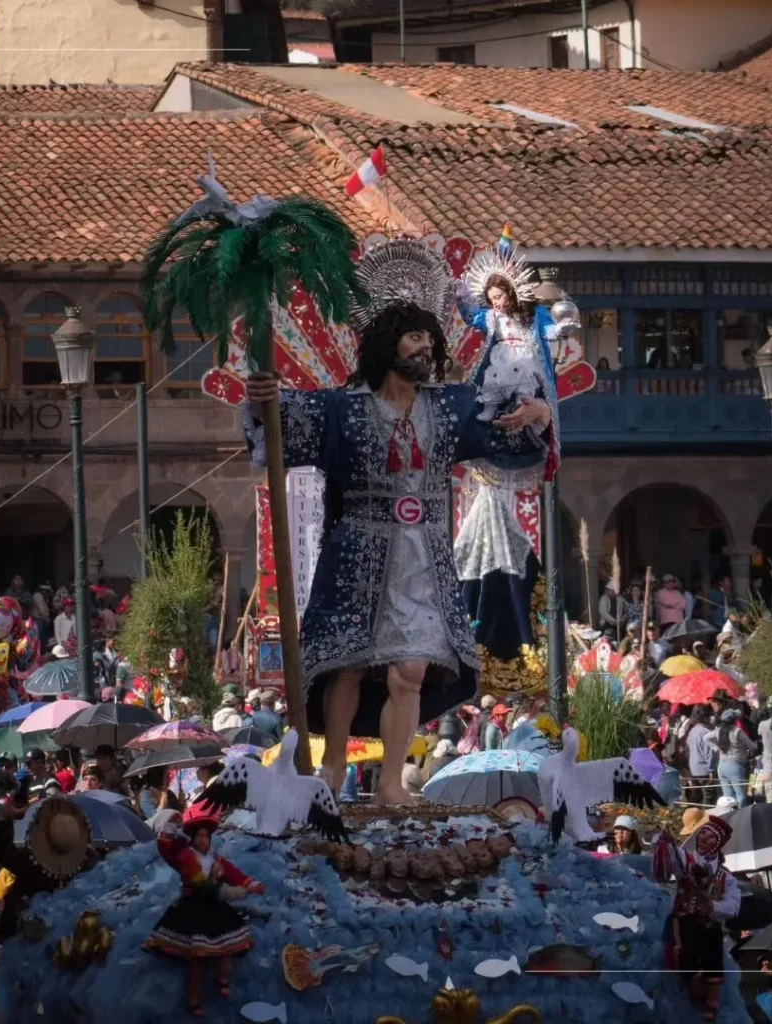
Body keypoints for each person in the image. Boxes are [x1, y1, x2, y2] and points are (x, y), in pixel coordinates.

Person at [242, 264, 552, 805]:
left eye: (431, 340)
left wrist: (541, 411)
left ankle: (390, 783)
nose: (426, 348)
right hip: (361, 546)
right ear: (388, 344)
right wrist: (263, 395)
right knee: (349, 663)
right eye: (415, 337)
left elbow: (508, 424)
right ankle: (334, 768)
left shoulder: (451, 407)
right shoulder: (343, 408)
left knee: (411, 668)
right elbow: (283, 420)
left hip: (425, 555)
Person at [453, 249, 567, 664]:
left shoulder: (529, 321)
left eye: (502, 294)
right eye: (493, 295)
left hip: (523, 372)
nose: (498, 301)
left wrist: (562, 322)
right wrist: (460, 299)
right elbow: (472, 317)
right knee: (495, 386)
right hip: (499, 371)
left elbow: (551, 331)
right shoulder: (493, 322)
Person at [143, 814, 263, 1015]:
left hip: (216, 906)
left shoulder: (216, 859)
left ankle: (223, 980)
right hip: (193, 907)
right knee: (197, 957)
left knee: (227, 946)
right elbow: (166, 849)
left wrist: (251, 884)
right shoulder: (186, 857)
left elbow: (233, 874)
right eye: (199, 836)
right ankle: (194, 999)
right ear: (193, 838)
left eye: (206, 836)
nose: (202, 840)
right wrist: (171, 828)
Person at [653, 817, 741, 1021]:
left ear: (717, 844)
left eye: (710, 837)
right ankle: (695, 989)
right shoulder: (685, 858)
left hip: (708, 925)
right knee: (685, 956)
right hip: (683, 923)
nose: (703, 838)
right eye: (702, 833)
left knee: (713, 948)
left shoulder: (725, 877)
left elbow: (734, 907)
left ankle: (712, 999)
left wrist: (712, 907)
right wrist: (663, 843)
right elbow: (669, 865)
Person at [706, 708, 757, 807]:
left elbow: (706, 738)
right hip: (735, 766)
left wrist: (717, 749)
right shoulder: (737, 731)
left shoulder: (718, 730)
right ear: (734, 720)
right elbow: (752, 746)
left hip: (722, 766)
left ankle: (730, 816)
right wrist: (757, 744)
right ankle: (742, 818)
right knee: (741, 795)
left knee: (728, 796)